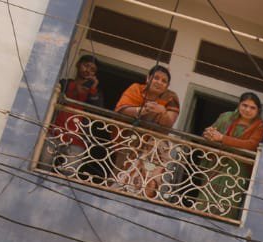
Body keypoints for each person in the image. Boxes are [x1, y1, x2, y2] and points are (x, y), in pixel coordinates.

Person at [113, 65, 181, 199]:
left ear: (167, 85)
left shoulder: (171, 97)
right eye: (156, 78)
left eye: (163, 81)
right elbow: (121, 109)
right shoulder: (136, 89)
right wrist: (142, 110)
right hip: (130, 140)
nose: (159, 82)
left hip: (154, 147)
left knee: (147, 182)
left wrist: (162, 112)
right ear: (148, 78)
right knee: (121, 177)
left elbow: (169, 123)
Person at [198, 92, 263, 216]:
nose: (247, 110)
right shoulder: (226, 117)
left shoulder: (260, 126)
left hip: (238, 169)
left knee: (227, 202)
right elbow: (212, 133)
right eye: (244, 105)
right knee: (206, 198)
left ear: (258, 110)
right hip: (217, 164)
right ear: (239, 105)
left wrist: (222, 138)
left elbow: (251, 145)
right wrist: (209, 133)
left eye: (252, 108)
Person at [44, 54, 105, 170]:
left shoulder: (95, 92)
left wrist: (92, 90)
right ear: (78, 65)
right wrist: (75, 90)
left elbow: (98, 113)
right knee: (43, 165)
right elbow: (56, 100)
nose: (88, 71)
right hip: (54, 133)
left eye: (93, 70)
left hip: (78, 140)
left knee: (69, 173)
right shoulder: (65, 83)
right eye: (86, 66)